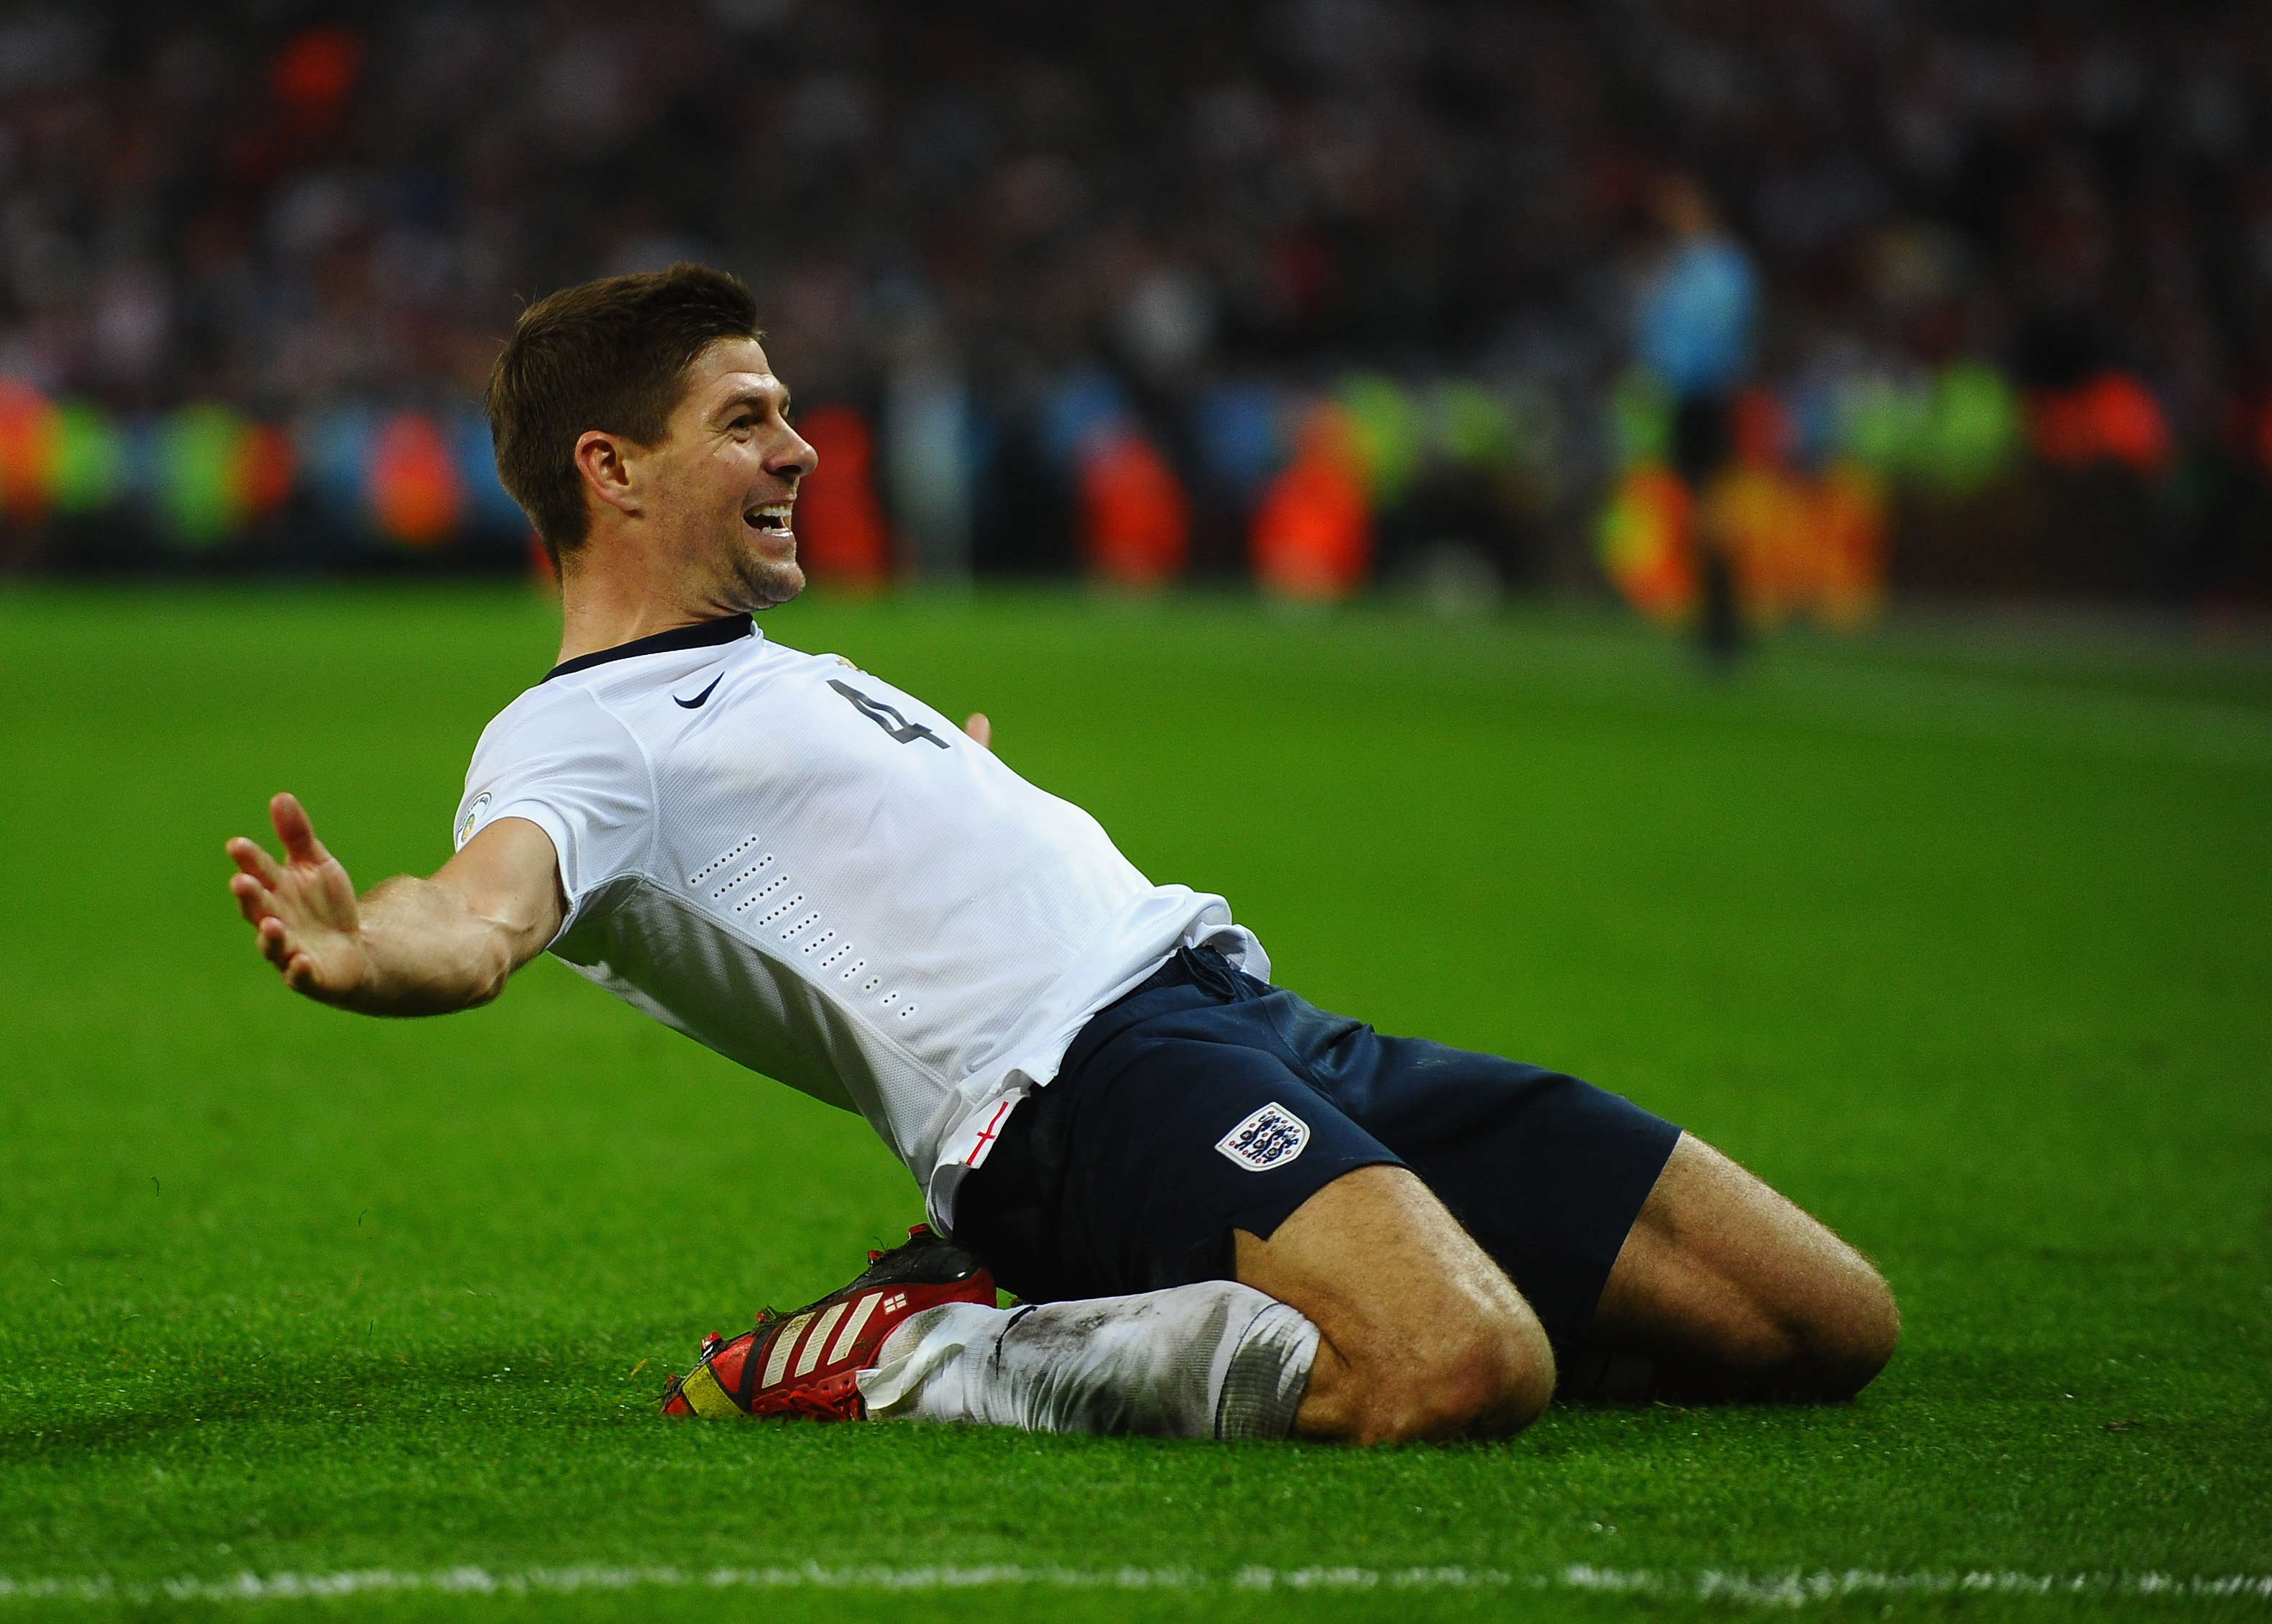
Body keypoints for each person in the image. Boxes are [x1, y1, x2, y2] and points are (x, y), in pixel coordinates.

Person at [224, 264, 1897, 1446]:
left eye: (785, 411)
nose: (799, 449)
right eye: (745, 420)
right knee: (1457, 1364)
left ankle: (1285, 1273)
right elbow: (484, 902)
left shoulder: (775, 671)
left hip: (1246, 1017)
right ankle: (925, 1349)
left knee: (1816, 1321)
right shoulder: (577, 734)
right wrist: (381, 943)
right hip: (1073, 1092)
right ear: (610, 469)